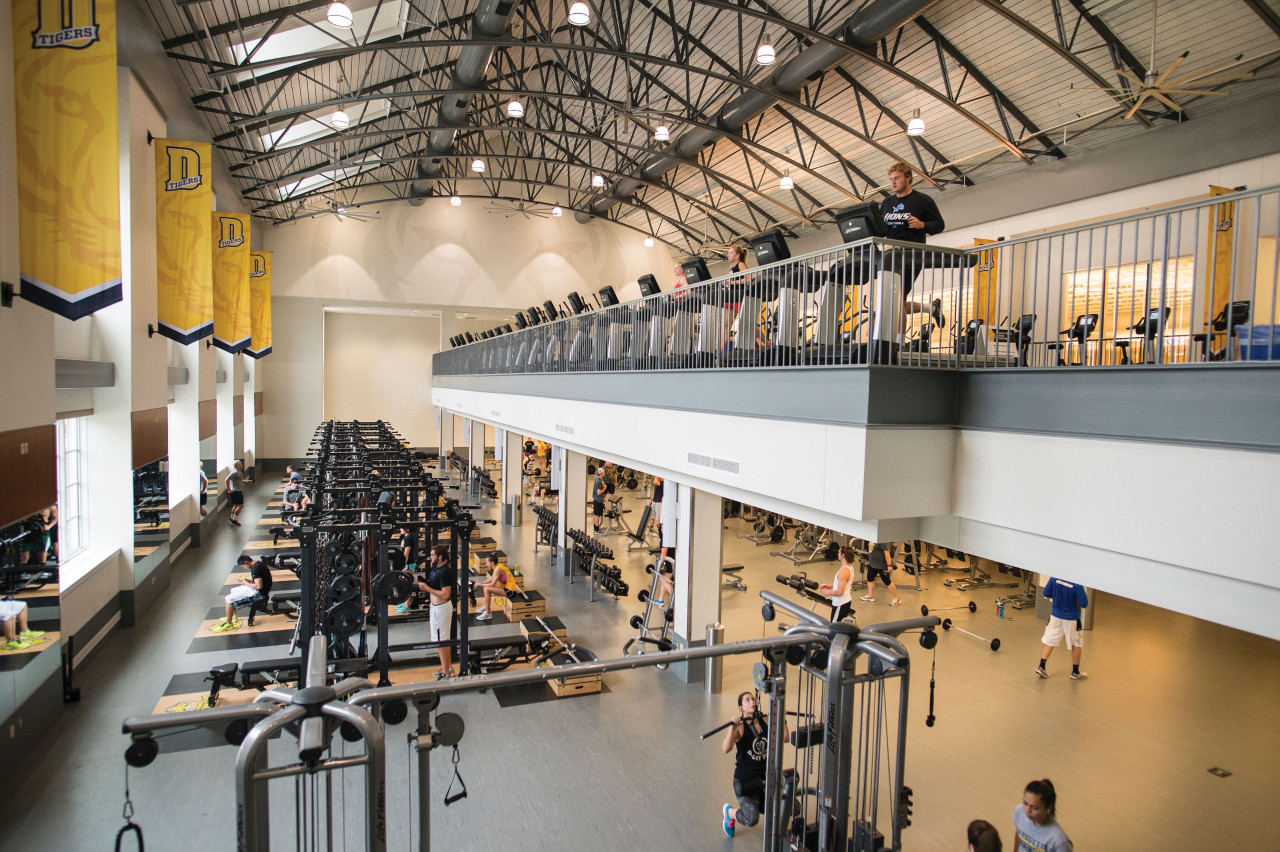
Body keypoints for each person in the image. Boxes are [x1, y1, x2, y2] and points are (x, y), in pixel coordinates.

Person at [881, 161, 947, 336]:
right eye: (891, 179)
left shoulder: (922, 200)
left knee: (897, 299)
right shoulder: (887, 203)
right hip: (890, 255)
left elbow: (939, 225)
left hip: (911, 255)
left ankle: (899, 344)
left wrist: (922, 224)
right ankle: (931, 308)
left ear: (908, 178)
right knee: (892, 301)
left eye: (897, 178)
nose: (893, 182)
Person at [720, 691, 784, 838]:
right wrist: (731, 728)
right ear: (741, 708)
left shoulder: (765, 720)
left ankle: (759, 805)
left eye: (753, 699)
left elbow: (785, 738)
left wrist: (782, 718)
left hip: (764, 778)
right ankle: (730, 813)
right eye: (747, 701)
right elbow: (725, 749)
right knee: (751, 819)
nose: (752, 702)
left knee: (785, 807)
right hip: (745, 780)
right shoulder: (740, 727)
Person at [1036, 577, 1089, 680]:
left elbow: (1046, 593)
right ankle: (1075, 671)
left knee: (1050, 640)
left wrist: (1057, 597)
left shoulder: (1054, 578)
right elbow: (1084, 603)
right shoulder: (1077, 583)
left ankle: (1042, 666)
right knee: (1076, 643)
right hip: (1071, 618)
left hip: (1055, 615)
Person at [416, 544, 455, 678]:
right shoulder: (436, 569)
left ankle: (445, 673)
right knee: (443, 640)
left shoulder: (445, 572)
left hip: (441, 609)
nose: (430, 557)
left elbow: (445, 595)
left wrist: (427, 589)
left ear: (441, 556)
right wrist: (425, 583)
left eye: (433, 555)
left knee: (441, 641)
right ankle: (448, 668)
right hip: (435, 608)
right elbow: (435, 585)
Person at [213, 555, 273, 632]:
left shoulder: (255, 569)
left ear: (246, 562)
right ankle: (232, 616)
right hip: (261, 589)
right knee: (233, 590)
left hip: (259, 593)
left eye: (244, 566)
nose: (244, 568)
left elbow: (258, 586)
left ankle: (228, 623)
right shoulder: (258, 564)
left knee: (228, 599)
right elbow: (260, 581)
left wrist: (245, 583)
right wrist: (249, 581)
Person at [1012, 779, 1073, 852]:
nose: (1027, 810)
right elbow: (1019, 833)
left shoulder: (1059, 840)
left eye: (1034, 807)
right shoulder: (1020, 811)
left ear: (1048, 808)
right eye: (1025, 803)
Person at [818, 545, 856, 622]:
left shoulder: (843, 572)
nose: (838, 554)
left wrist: (827, 592)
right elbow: (844, 583)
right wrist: (830, 586)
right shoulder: (849, 566)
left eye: (839, 552)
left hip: (840, 603)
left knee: (834, 626)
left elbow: (840, 592)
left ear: (843, 555)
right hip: (844, 601)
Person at [474, 554, 517, 621]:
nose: (486, 564)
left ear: (492, 562)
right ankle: (487, 607)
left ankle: (488, 614)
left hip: (510, 591)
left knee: (487, 589)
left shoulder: (498, 569)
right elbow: (491, 580)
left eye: (487, 562)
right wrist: (480, 583)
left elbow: (492, 584)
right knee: (485, 587)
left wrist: (480, 585)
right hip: (505, 586)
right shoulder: (497, 566)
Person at [860, 541, 902, 607]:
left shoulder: (883, 540)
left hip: (881, 565)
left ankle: (897, 598)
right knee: (870, 578)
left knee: (886, 581)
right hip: (872, 564)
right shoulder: (873, 537)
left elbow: (887, 553)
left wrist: (889, 565)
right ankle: (871, 596)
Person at [225, 460, 252, 527]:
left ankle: (231, 518)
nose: (241, 464)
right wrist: (229, 489)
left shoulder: (238, 472)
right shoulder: (235, 472)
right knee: (241, 505)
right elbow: (227, 480)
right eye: (240, 464)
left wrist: (246, 481)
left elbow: (239, 480)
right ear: (237, 465)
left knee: (236, 505)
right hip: (236, 491)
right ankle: (234, 520)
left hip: (237, 491)